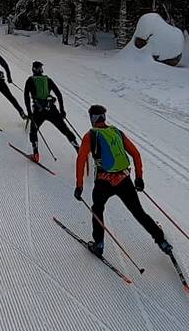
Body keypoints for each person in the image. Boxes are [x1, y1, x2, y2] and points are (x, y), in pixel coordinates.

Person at [74, 104, 173, 258]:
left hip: (103, 182)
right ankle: (161, 241)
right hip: (124, 179)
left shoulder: (90, 135)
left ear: (91, 118)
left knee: (97, 209)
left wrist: (79, 186)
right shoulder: (116, 132)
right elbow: (136, 154)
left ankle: (99, 245)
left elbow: (81, 160)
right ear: (104, 117)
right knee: (138, 212)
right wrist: (139, 178)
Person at [22, 61, 78, 162]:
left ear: (33, 69)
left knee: (33, 131)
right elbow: (59, 94)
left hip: (38, 111)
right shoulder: (47, 80)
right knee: (65, 130)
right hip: (52, 109)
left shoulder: (30, 80)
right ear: (41, 69)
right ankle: (78, 148)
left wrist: (29, 112)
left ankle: (36, 154)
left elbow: (26, 96)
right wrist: (62, 110)